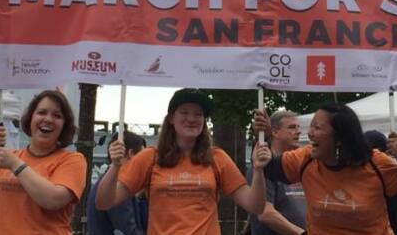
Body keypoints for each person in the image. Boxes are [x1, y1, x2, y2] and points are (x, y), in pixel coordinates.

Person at [96, 88, 271, 234]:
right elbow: (104, 202)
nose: (192, 119)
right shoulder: (149, 157)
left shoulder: (217, 157)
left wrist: (258, 170)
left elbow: (255, 207)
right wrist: (115, 165)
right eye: (184, 112)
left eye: (198, 114)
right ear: (171, 118)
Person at [254, 103, 397, 234]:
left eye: (317, 127)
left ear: (339, 137)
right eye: (311, 126)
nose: (309, 134)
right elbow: (268, 168)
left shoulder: (377, 164)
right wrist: (265, 135)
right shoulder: (305, 159)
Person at [0, 89, 87, 235]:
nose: (48, 119)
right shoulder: (8, 158)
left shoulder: (72, 160)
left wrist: (15, 165)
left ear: (64, 125)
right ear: (30, 118)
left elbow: (53, 200)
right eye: (41, 112)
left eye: (57, 115)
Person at [248, 110, 306, 235]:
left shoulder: (299, 164)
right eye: (292, 127)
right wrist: (301, 233)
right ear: (274, 132)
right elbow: (265, 212)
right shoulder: (262, 166)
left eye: (298, 127)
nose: (298, 131)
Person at [87, 130, 148, 235]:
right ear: (130, 154)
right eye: (142, 157)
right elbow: (128, 230)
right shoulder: (118, 187)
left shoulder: (107, 183)